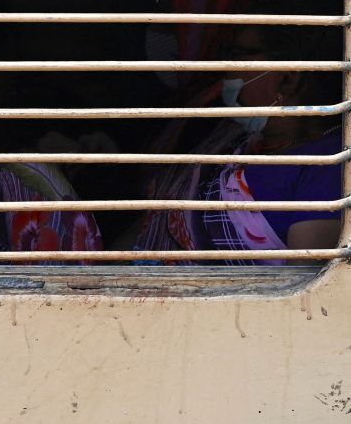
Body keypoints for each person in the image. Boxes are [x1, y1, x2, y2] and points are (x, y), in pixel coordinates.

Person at [136, 21, 342, 263]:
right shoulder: (236, 139)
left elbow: (303, 286)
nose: (226, 68)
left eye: (237, 56)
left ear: (288, 79)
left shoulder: (328, 165)